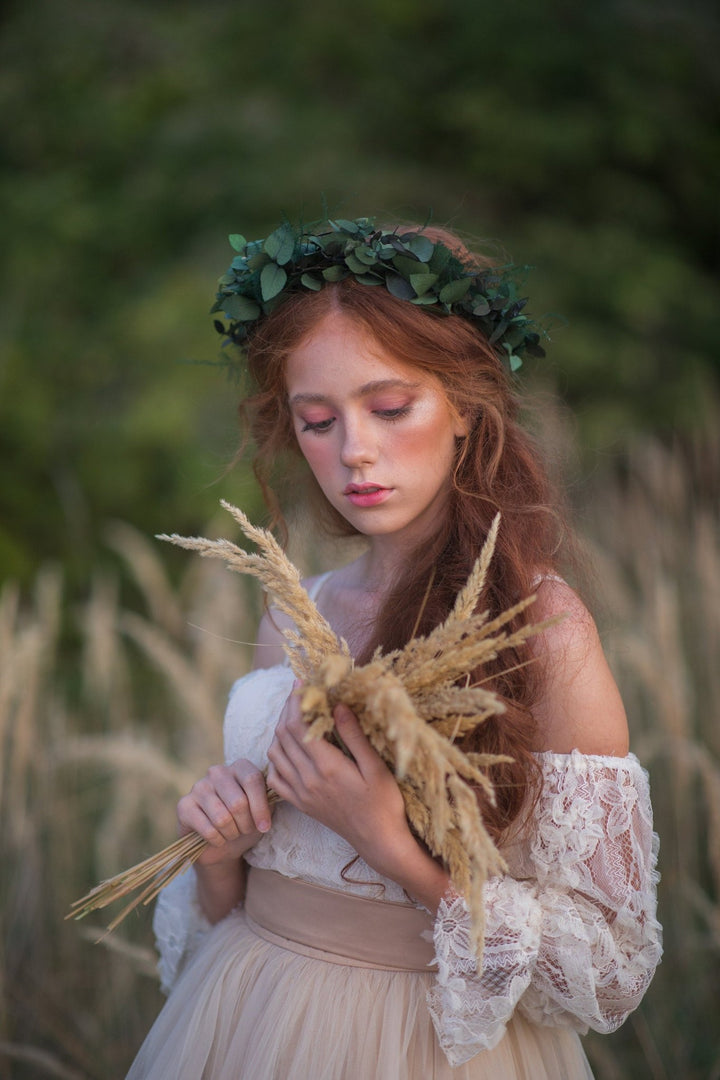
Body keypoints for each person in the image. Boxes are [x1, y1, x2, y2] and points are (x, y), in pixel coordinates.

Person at [126, 217, 662, 1079]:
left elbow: (607, 972)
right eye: (317, 420)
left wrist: (392, 846)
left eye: (388, 407)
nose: (354, 452)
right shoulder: (298, 616)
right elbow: (241, 909)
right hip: (248, 1019)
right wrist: (220, 855)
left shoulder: (542, 629)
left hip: (422, 1046)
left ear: (463, 405)